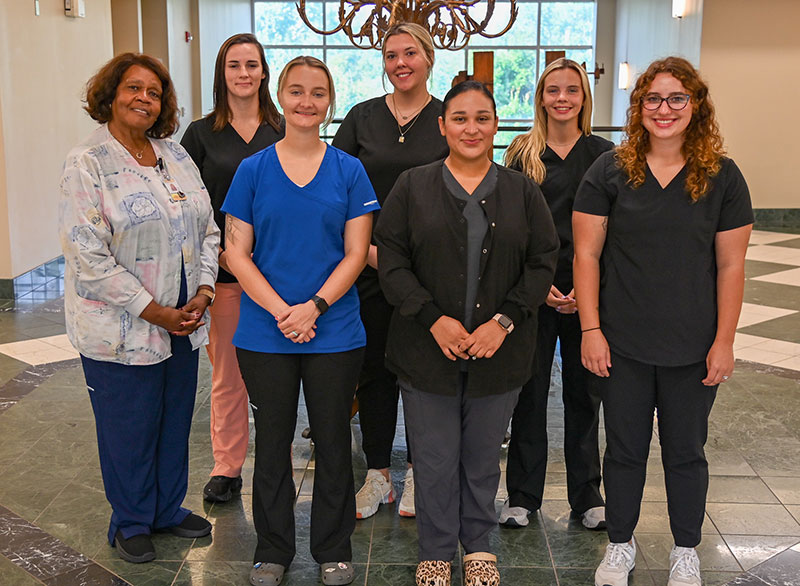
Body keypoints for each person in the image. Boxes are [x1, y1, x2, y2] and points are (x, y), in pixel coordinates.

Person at [572, 57, 752, 586]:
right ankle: (621, 544)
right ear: (639, 107)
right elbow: (586, 255)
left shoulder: (723, 175)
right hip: (621, 341)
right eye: (653, 99)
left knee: (686, 453)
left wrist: (724, 341)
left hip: (693, 344)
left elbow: (731, 265)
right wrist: (590, 329)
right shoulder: (609, 169)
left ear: (696, 106)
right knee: (623, 449)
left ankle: (686, 549)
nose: (664, 109)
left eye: (677, 99)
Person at [375, 81, 559, 586]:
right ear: (442, 126)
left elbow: (543, 262)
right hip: (424, 349)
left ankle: (478, 547)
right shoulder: (412, 186)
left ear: (496, 126)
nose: (471, 128)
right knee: (434, 460)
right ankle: (435, 550)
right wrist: (433, 317)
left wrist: (503, 321)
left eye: (482, 118)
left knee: (481, 459)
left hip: (499, 351)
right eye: (459, 118)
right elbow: (391, 261)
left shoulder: (522, 191)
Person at [222, 56, 379, 586]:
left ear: (328, 101)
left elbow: (356, 253)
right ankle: (272, 548)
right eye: (296, 91)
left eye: (317, 92)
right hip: (266, 331)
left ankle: (333, 547)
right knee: (272, 444)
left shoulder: (348, 171)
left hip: (333, 329)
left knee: (334, 440)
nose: (306, 101)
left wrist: (313, 307)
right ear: (280, 96)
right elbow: (236, 252)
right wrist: (281, 311)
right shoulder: (253, 169)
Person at [58, 53, 219, 564]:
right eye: (133, 88)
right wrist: (156, 311)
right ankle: (130, 520)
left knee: (173, 420)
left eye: (154, 92)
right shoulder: (87, 163)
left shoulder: (175, 155)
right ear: (111, 94)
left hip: (183, 320)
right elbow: (88, 257)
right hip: (121, 328)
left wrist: (205, 292)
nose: (143, 98)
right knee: (129, 426)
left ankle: (166, 509)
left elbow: (209, 229)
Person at [332, 22, 449, 520]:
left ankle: (424, 473)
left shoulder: (448, 116)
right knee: (374, 371)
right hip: (371, 266)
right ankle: (378, 475)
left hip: (436, 272)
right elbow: (333, 185)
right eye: (390, 54)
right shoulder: (362, 117)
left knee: (428, 373)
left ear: (428, 59)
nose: (400, 62)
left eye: (410, 53)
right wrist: (373, 255)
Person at [501, 58, 613, 530]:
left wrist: (587, 289)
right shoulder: (521, 153)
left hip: (589, 294)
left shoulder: (606, 156)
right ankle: (523, 496)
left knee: (586, 396)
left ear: (583, 97)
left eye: (572, 90)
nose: (562, 98)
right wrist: (537, 286)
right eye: (553, 90)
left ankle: (587, 495)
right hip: (534, 292)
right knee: (528, 394)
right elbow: (509, 227)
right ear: (540, 97)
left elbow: (615, 232)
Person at [181, 33, 284, 503]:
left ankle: (277, 461)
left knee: (279, 374)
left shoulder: (284, 130)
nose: (244, 73)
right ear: (221, 74)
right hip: (224, 276)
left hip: (281, 277)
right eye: (234, 65)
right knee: (228, 374)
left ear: (264, 73)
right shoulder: (200, 136)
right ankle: (227, 465)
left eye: (252, 65)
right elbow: (190, 209)